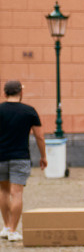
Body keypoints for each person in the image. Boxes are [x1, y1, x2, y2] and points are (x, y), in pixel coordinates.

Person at [0, 81, 47, 242]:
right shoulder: (29, 111)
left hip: (1, 157)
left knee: (3, 192)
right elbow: (39, 136)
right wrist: (43, 156)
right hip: (20, 157)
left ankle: (5, 227)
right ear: (21, 93)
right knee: (17, 193)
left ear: (5, 93)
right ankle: (13, 231)